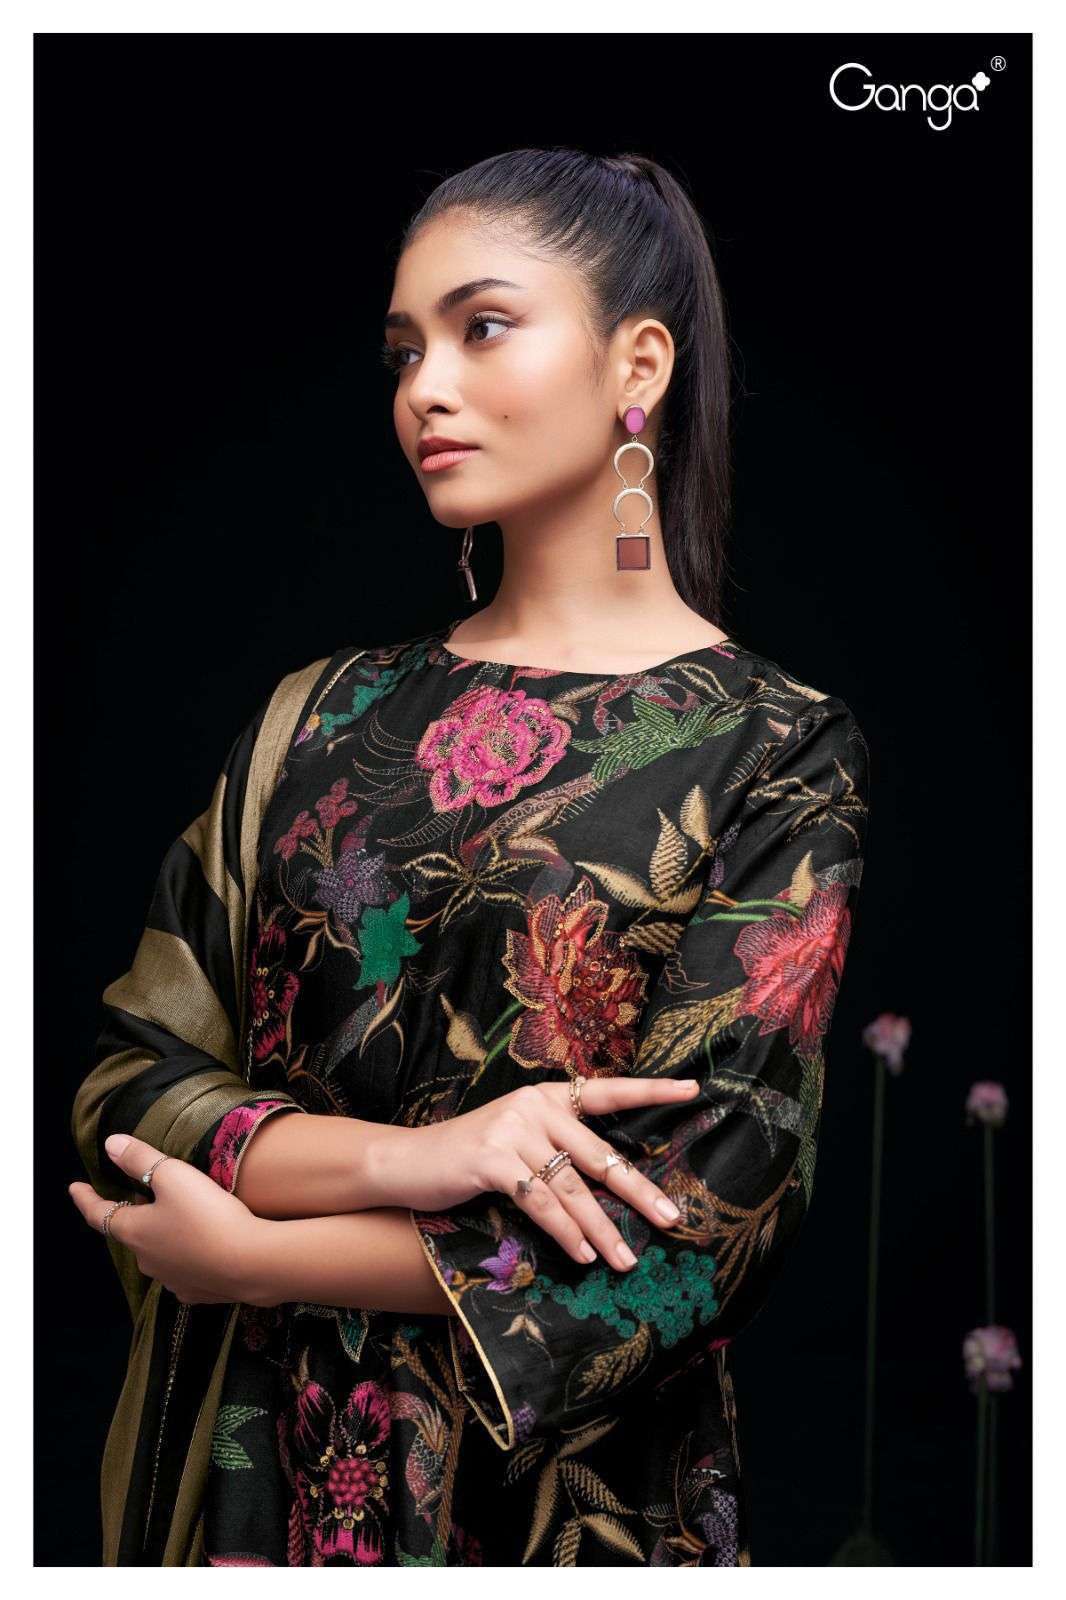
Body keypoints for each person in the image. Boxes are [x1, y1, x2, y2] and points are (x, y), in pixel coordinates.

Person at [69, 147, 872, 1567]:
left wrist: (255, 1257)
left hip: (565, 1508)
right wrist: (425, 1156)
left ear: (636, 366)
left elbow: (696, 1222)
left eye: (481, 327)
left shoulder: (770, 746)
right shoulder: (321, 717)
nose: (423, 389)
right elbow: (133, 1077)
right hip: (262, 1475)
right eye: (403, 351)